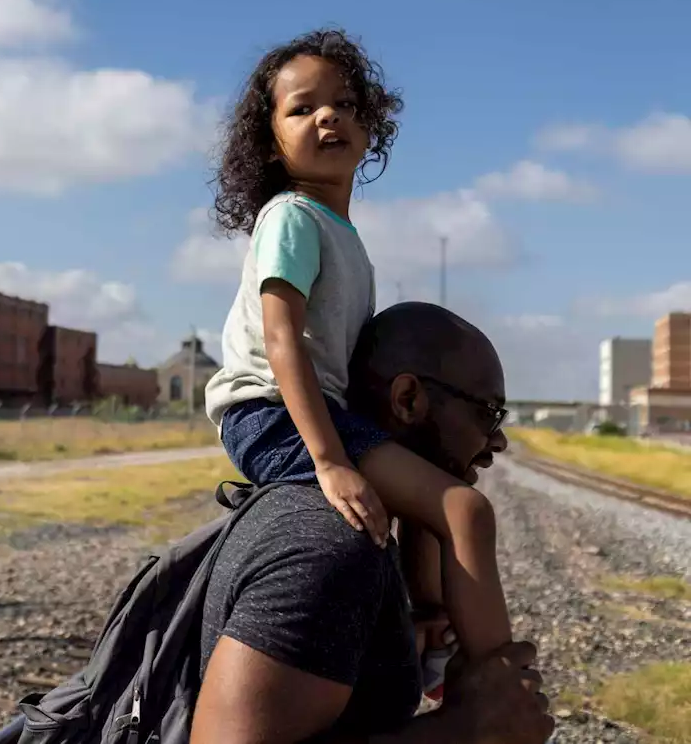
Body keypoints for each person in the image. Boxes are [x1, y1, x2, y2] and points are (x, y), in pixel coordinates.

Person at [201, 28, 511, 666]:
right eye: (302, 108)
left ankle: (425, 635)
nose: (327, 116)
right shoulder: (292, 217)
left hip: (314, 410)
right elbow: (281, 339)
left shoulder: (338, 230)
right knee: (467, 511)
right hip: (273, 414)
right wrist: (329, 460)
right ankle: (501, 683)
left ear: (369, 127)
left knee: (433, 484)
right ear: (270, 141)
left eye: (343, 104)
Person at [192, 301, 554, 743]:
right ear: (408, 399)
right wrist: (463, 729)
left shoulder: (351, 532)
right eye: (488, 412)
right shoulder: (330, 549)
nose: (497, 439)